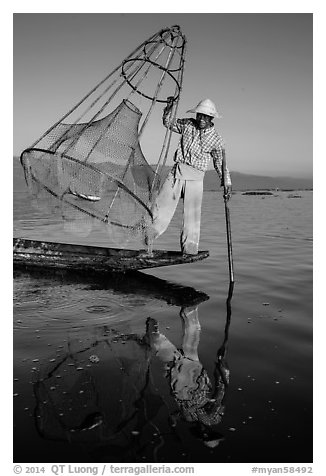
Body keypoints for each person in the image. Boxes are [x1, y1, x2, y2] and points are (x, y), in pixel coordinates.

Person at [148, 97, 232, 255]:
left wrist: (226, 183)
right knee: (161, 206)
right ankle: (149, 238)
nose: (201, 119)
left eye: (205, 117)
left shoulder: (216, 140)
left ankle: (190, 249)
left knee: (192, 217)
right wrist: (169, 108)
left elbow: (220, 163)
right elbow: (168, 122)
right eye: (199, 115)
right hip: (177, 172)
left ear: (211, 118)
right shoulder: (187, 124)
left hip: (196, 178)